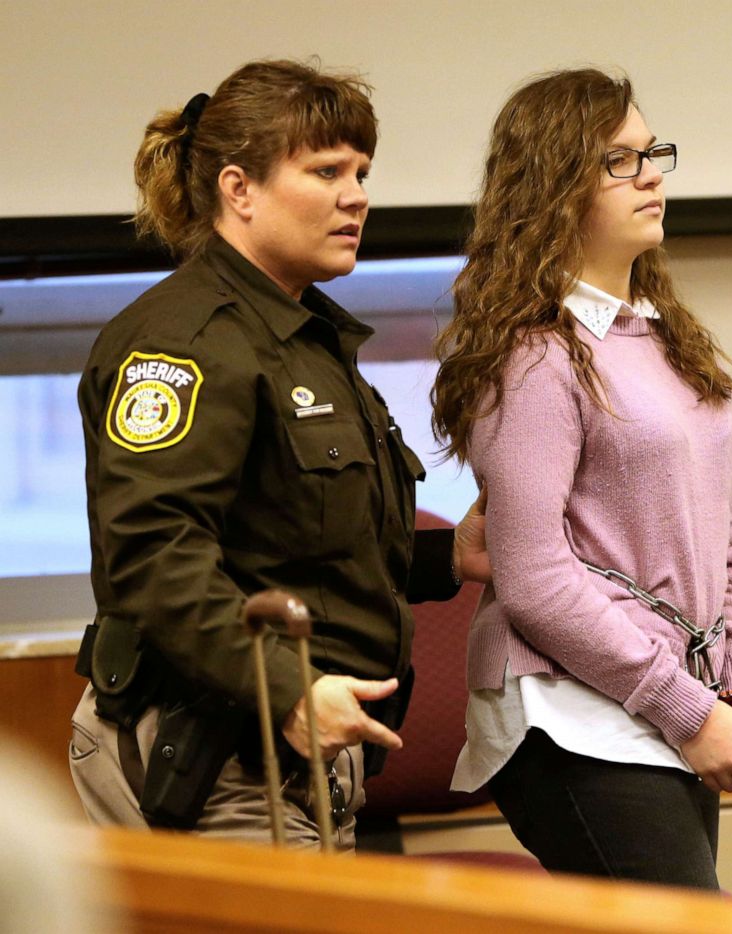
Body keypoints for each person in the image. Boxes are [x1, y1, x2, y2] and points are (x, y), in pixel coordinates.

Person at [69, 58, 488, 851]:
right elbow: (151, 556)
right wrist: (290, 689)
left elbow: (299, 545)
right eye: (326, 170)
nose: (357, 193)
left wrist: (444, 558)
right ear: (240, 190)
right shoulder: (185, 342)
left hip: (296, 757)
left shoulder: (302, 335)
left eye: (361, 170)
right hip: (206, 754)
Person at [432, 68, 732, 889]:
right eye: (618, 161)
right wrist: (693, 710)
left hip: (668, 700)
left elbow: (723, 540)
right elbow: (534, 578)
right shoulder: (536, 353)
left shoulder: (663, 342)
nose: (653, 173)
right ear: (554, 185)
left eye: (651, 153)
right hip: (570, 711)